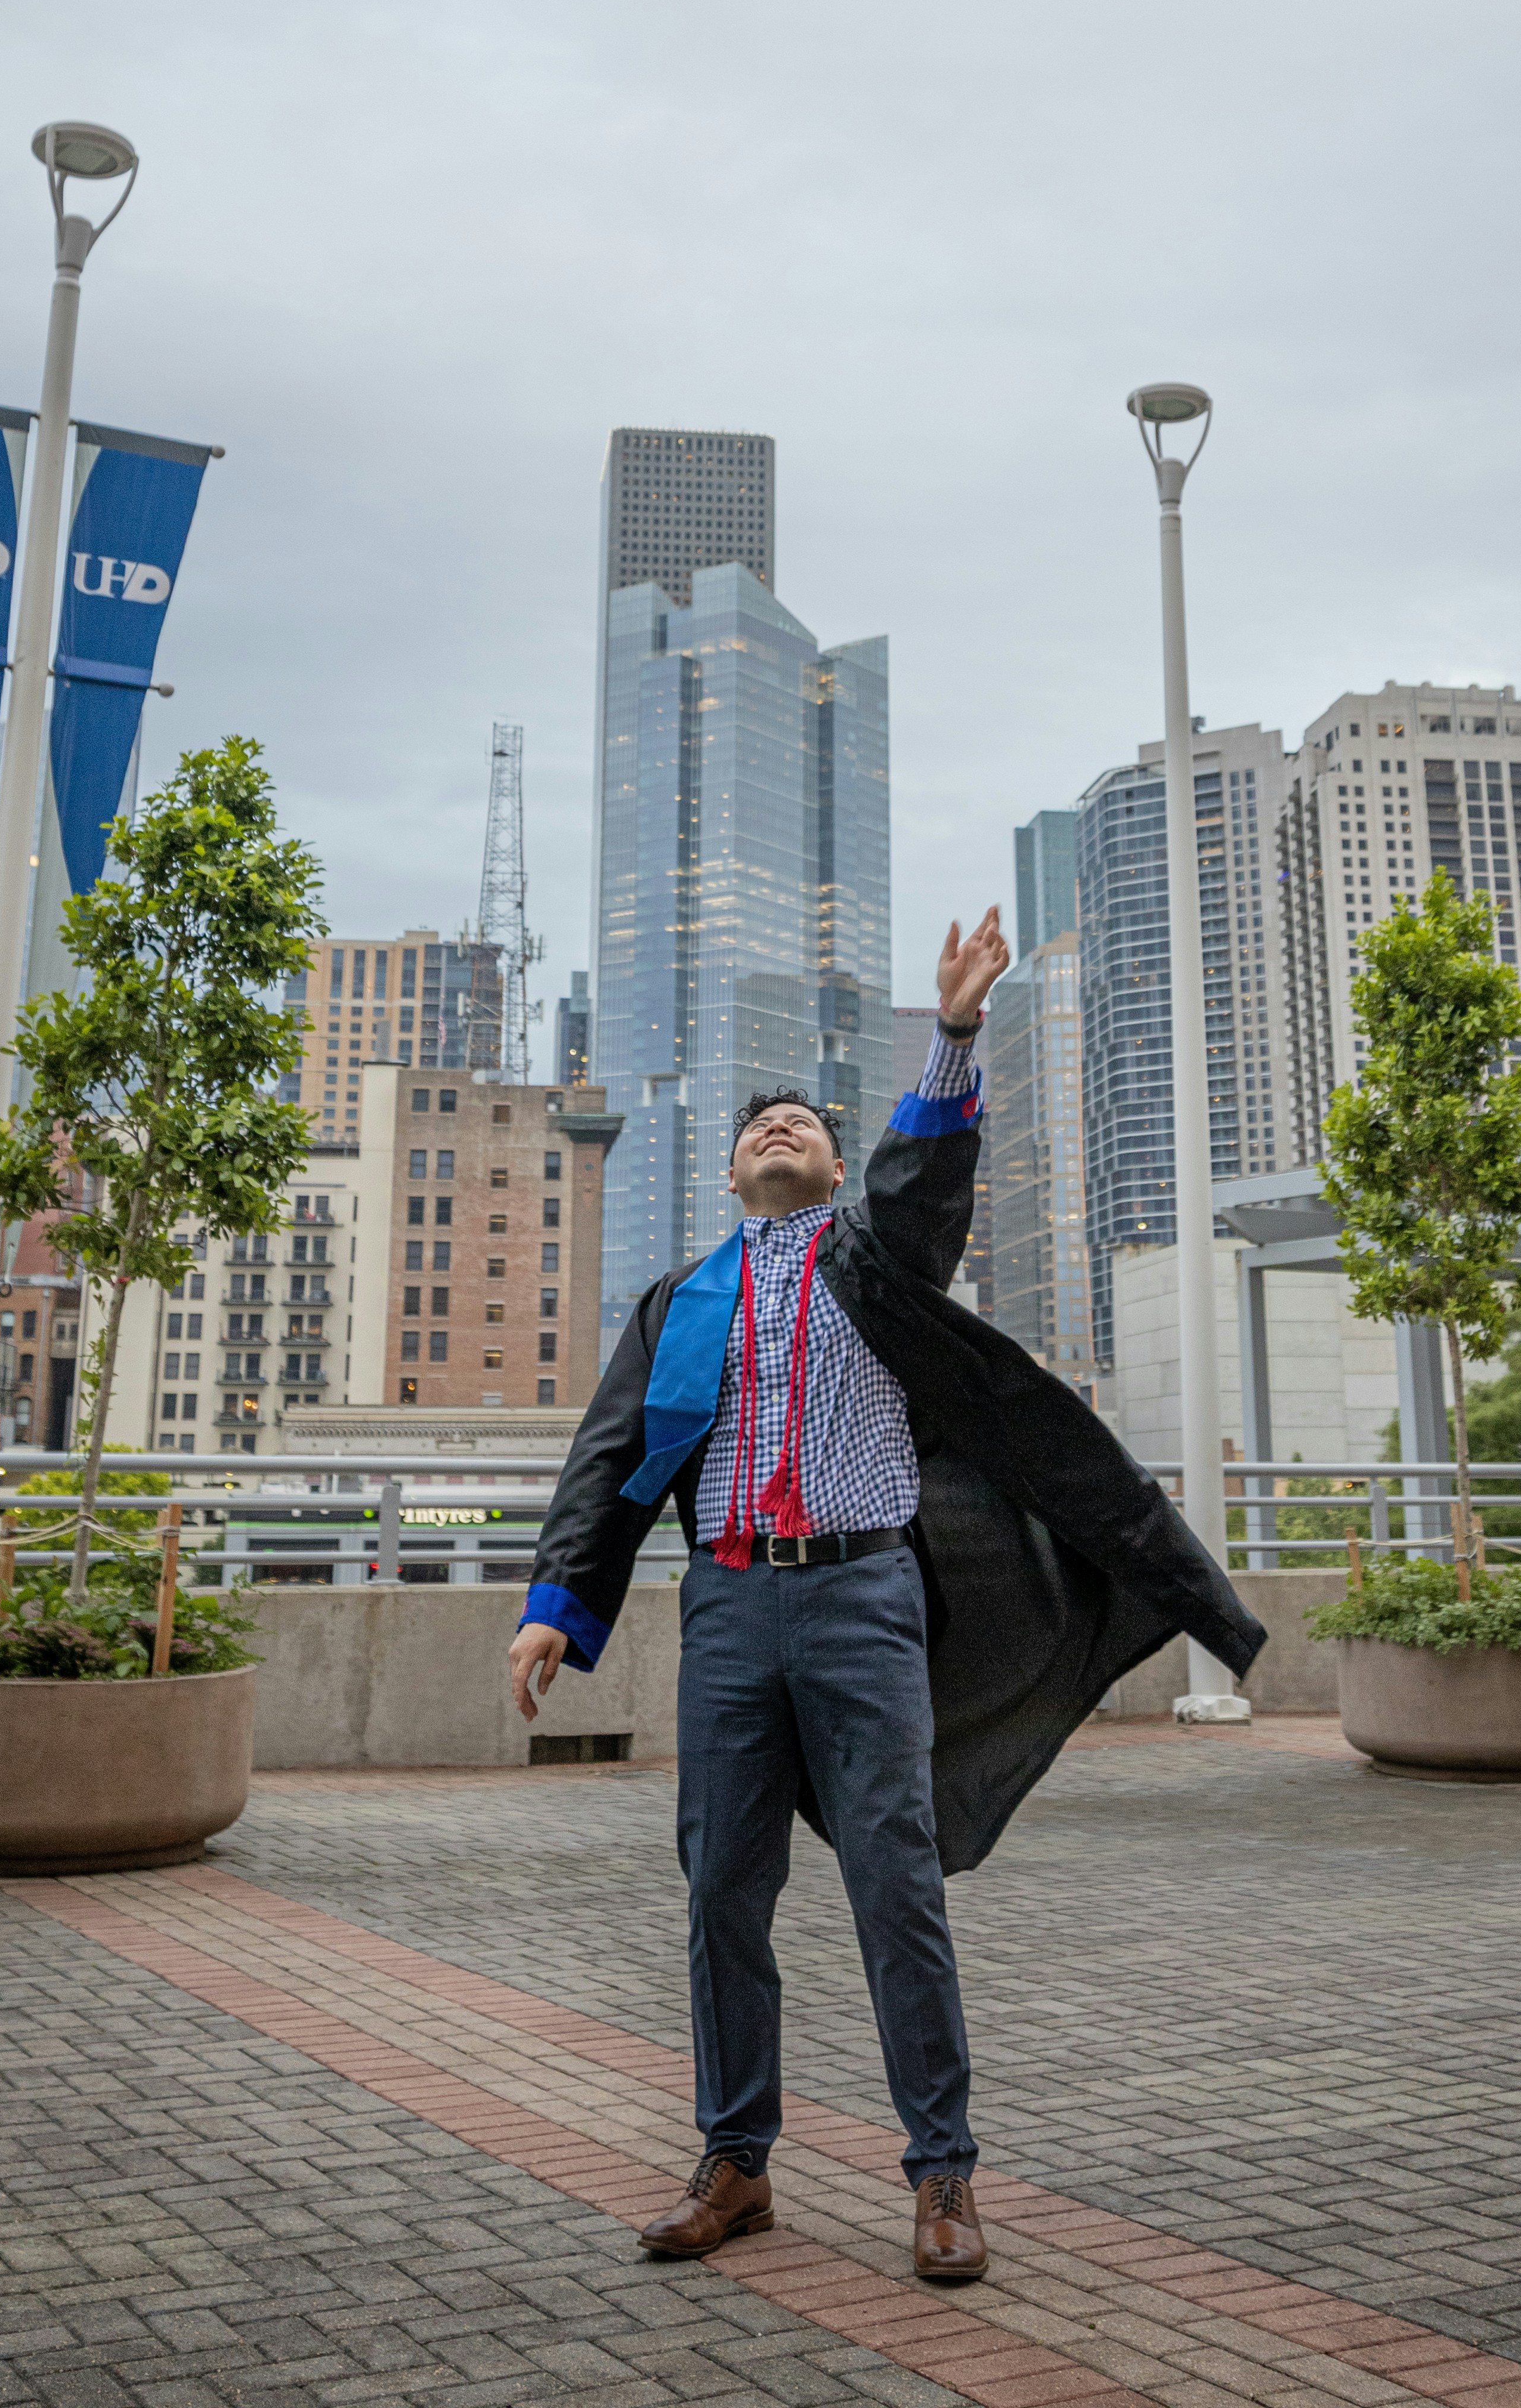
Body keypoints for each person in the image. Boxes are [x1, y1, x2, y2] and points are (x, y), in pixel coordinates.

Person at [509, 907, 1263, 2286]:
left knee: (893, 1889)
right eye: (757, 1128)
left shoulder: (874, 1260)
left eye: (801, 1123)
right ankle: (734, 2164)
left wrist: (958, 1031)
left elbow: (922, 1180)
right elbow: (610, 1454)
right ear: (732, 1172)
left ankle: (941, 2179)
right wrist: (559, 1601)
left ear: (835, 1165)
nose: (777, 1131)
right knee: (720, 1891)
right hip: (729, 1607)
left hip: (863, 1603)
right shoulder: (681, 1299)